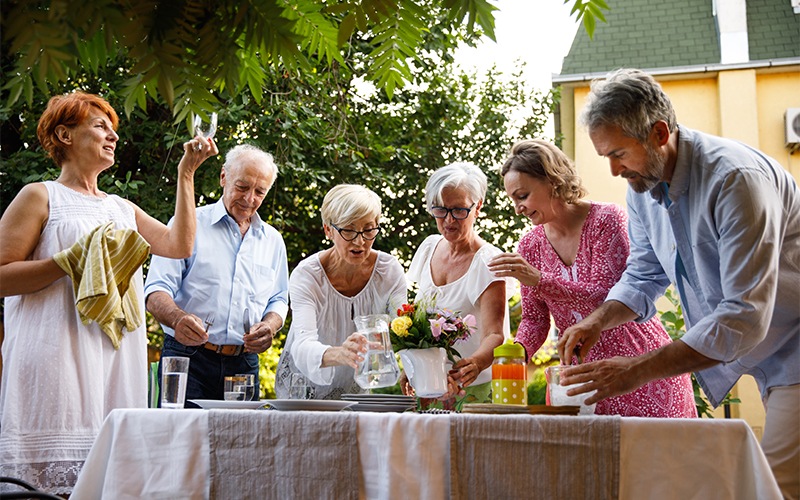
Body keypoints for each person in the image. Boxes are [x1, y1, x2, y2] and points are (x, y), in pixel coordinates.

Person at [558, 68, 799, 498]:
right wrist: (597, 321)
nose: (614, 171)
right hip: (764, 354)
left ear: (659, 133)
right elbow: (644, 273)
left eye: (619, 154)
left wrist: (638, 369)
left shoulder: (735, 180)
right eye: (605, 158)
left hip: (794, 347)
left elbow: (744, 315)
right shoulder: (641, 186)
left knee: (774, 487)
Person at [0, 91, 215, 495]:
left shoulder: (121, 208)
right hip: (56, 356)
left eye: (113, 129)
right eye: (100, 126)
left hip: (116, 358)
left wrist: (187, 173)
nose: (112, 136)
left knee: (113, 482)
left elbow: (179, 244)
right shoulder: (40, 195)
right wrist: (67, 262)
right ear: (64, 135)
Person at [487, 139, 695, 417]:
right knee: (588, 461)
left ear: (552, 181)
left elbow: (607, 298)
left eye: (522, 196)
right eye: (513, 200)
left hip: (638, 369)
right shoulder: (529, 246)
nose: (518, 209)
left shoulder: (607, 220)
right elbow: (534, 319)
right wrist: (515, 356)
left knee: (657, 459)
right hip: (578, 383)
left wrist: (539, 279)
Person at [145, 144, 289, 403]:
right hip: (187, 356)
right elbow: (155, 290)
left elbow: (279, 299)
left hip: (243, 364)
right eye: (242, 187)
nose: (249, 199)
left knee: (239, 442)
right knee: (184, 439)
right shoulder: (189, 226)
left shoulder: (273, 240)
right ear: (224, 177)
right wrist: (178, 319)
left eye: (259, 192)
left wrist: (269, 326)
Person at [274, 184, 407, 400]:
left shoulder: (389, 271)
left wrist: (413, 371)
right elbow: (302, 344)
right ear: (328, 230)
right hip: (301, 392)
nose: (360, 241)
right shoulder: (307, 275)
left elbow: (404, 329)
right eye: (348, 230)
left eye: (368, 229)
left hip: (356, 392)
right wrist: (340, 354)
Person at [405, 162, 509, 406]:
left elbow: (495, 334)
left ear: (478, 207)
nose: (449, 220)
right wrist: (411, 366)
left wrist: (475, 363)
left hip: (472, 390)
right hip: (429, 389)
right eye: (440, 210)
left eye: (459, 210)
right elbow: (419, 323)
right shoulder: (429, 247)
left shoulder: (489, 261)